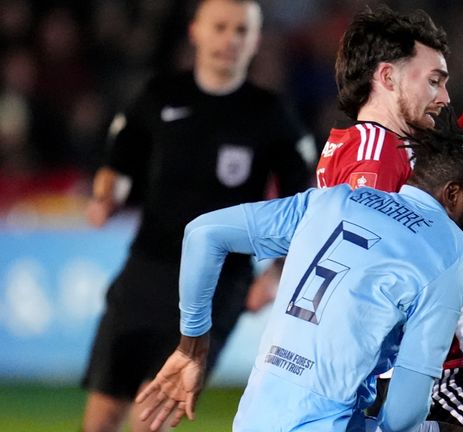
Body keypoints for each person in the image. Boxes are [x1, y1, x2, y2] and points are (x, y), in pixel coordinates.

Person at [136, 108, 463, 432]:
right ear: (452, 194)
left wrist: (191, 348)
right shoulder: (449, 249)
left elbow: (203, 234)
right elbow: (402, 416)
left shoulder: (332, 200)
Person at [79, 1, 313, 431]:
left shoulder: (271, 114)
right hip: (145, 272)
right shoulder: (159, 96)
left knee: (153, 417)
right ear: (196, 32)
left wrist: (277, 271)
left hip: (218, 285)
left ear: (255, 41)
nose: (230, 39)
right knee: (101, 417)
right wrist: (106, 194)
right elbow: (119, 159)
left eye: (241, 30)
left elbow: (305, 201)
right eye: (220, 27)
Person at [318, 6, 463, 432]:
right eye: (434, 81)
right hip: (427, 369)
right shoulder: (377, 162)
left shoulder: (374, 148)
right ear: (387, 78)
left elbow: (455, 158)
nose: (444, 96)